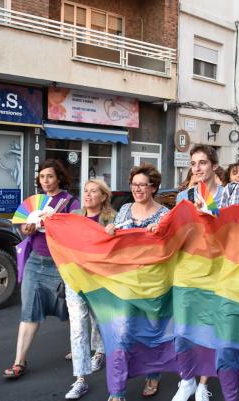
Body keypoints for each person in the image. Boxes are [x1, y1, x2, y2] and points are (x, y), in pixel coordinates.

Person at [3, 159, 80, 380]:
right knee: (28, 311)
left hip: (60, 263)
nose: (45, 181)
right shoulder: (34, 202)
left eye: (50, 176)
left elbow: (74, 232)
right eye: (42, 177)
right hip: (35, 262)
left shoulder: (70, 202)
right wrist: (27, 229)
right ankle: (19, 362)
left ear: (59, 178)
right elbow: (24, 230)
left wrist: (54, 223)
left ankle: (80, 346)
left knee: (69, 310)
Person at [104, 164, 169, 401]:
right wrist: (109, 230)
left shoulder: (164, 214)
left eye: (142, 185)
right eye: (134, 185)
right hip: (126, 282)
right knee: (122, 333)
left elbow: (172, 247)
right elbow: (114, 241)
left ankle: (153, 374)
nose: (137, 189)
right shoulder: (124, 209)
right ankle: (117, 389)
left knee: (152, 333)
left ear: (153, 187)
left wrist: (161, 233)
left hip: (154, 285)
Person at [173, 145, 223, 401]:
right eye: (194, 163)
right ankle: (186, 379)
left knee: (209, 330)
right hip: (186, 271)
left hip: (216, 271)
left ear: (214, 166)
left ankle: (203, 383)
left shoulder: (228, 195)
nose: (198, 168)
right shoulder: (185, 197)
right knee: (182, 330)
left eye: (203, 162)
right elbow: (176, 233)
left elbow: (231, 234)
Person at [63, 180, 116, 399]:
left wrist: (111, 233)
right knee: (77, 326)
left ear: (103, 196)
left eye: (93, 191)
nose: (87, 194)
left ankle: (100, 351)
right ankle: (80, 379)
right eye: (85, 191)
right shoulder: (74, 214)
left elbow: (116, 247)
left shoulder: (112, 217)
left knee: (99, 320)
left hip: (101, 279)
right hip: (75, 277)